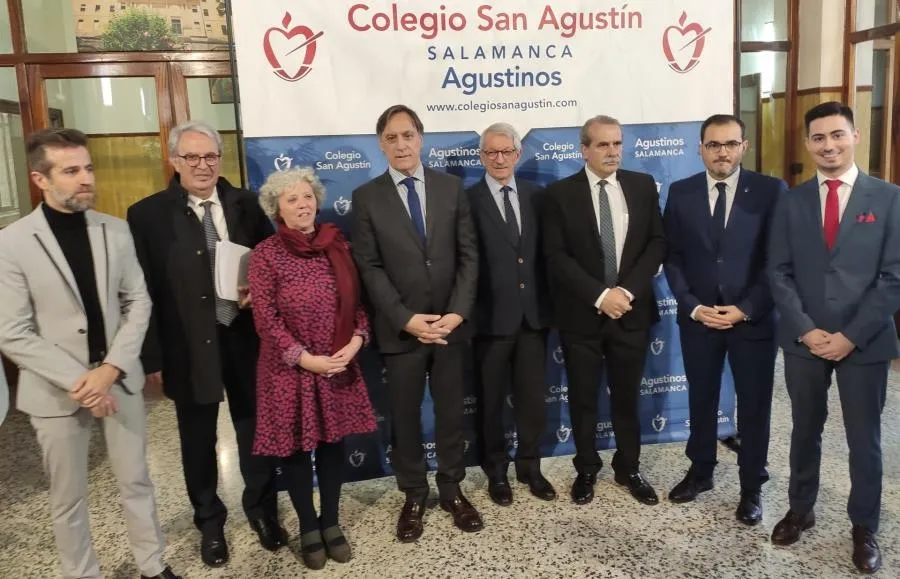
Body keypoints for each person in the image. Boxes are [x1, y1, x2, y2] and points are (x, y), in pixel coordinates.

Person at [0, 128, 179, 579]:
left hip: (120, 378)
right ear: (41, 179)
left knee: (137, 481)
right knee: (68, 496)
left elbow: (138, 301)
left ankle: (152, 565)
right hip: (57, 391)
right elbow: (12, 331)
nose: (86, 179)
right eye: (71, 170)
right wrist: (84, 381)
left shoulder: (114, 230)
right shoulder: (12, 243)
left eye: (89, 168)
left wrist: (111, 368)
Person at [126, 121, 284, 568]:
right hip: (186, 348)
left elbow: (271, 263)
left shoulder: (248, 205)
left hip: (245, 340)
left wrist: (260, 290)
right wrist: (151, 357)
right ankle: (210, 523)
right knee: (197, 441)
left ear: (220, 159)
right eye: (191, 157)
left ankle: (262, 511)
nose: (202, 165)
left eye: (210, 156)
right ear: (174, 161)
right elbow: (142, 291)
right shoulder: (147, 215)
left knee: (256, 432)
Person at [767, 101, 900, 574]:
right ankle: (800, 509)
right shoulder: (791, 200)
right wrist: (806, 330)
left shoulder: (888, 198)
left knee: (864, 438)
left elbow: (893, 278)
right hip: (805, 341)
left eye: (837, 135)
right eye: (819, 137)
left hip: (863, 342)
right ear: (808, 143)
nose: (829, 145)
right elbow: (778, 272)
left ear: (855, 136)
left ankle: (864, 525)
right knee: (804, 430)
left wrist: (849, 336)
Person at [351, 104, 481, 542]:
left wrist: (457, 313)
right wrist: (405, 319)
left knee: (449, 415)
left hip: (449, 327)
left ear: (421, 139)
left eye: (408, 135)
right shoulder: (367, 197)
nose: (401, 144)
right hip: (400, 331)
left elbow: (469, 256)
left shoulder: (452, 189)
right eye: (391, 137)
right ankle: (412, 494)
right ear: (381, 144)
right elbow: (368, 267)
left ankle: (451, 490)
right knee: (404, 419)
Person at [249, 167, 377, 569]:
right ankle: (308, 526)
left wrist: (356, 341)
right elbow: (265, 320)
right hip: (291, 371)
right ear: (277, 209)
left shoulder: (337, 245)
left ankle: (332, 522)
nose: (302, 205)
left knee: (333, 446)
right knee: (298, 452)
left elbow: (357, 304)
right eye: (292, 200)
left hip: (338, 364)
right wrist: (305, 359)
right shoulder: (265, 254)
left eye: (307, 197)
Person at [663, 114, 786, 525]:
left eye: (730, 144)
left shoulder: (770, 191)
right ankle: (700, 472)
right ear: (700, 148)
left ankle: (752, 487)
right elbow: (673, 256)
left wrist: (747, 308)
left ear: (744, 147)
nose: (722, 152)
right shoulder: (681, 192)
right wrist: (692, 305)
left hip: (752, 320)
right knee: (701, 399)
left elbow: (778, 261)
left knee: (754, 406)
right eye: (713, 144)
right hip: (699, 319)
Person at [542, 115, 666, 506]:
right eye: (603, 145)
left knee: (627, 397)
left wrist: (625, 291)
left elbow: (656, 244)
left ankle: (629, 467)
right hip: (583, 317)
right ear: (584, 149)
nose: (613, 152)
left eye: (617, 144)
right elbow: (556, 257)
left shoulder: (643, 186)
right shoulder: (559, 194)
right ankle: (586, 469)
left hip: (631, 311)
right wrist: (600, 296)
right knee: (583, 398)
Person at [466, 122, 555, 506]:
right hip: (489, 321)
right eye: (491, 152)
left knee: (532, 398)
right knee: (490, 402)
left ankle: (530, 466)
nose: (499, 159)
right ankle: (496, 471)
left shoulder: (539, 196)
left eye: (506, 151)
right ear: (482, 156)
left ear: (518, 154)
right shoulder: (466, 200)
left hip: (533, 319)